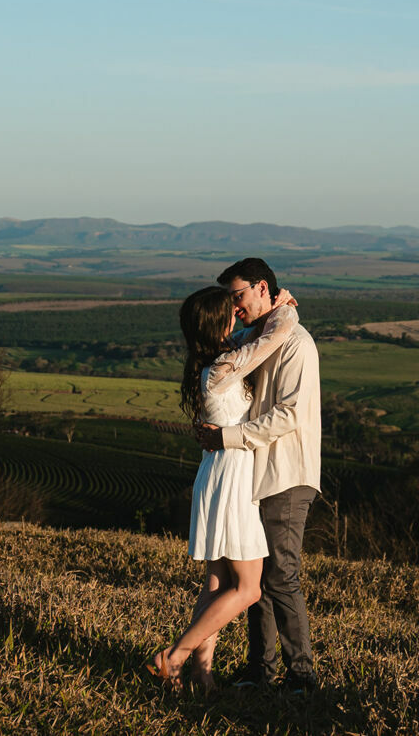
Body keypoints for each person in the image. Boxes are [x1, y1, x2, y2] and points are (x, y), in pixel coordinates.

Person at [147, 283, 302, 689]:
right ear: (218, 323)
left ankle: (203, 674)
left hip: (215, 472)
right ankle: (174, 656)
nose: (236, 312)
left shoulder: (214, 361)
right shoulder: (224, 366)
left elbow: (253, 341)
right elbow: (277, 336)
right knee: (249, 589)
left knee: (216, 584)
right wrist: (282, 306)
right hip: (231, 476)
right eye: (228, 309)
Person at [195, 257, 322, 692]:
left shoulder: (295, 344)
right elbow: (231, 341)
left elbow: (288, 415)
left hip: (286, 470)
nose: (235, 308)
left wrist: (227, 437)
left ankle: (301, 676)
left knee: (281, 575)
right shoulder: (264, 335)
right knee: (260, 575)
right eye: (230, 300)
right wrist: (283, 310)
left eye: (239, 296)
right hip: (256, 473)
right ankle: (260, 670)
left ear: (262, 288)